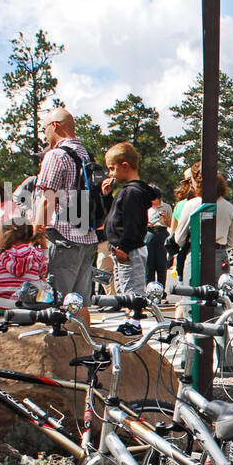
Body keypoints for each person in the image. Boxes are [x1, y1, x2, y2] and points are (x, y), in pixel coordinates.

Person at [32, 107, 102, 324]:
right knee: (79, 303)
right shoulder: (86, 155)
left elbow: (48, 198)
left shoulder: (56, 155)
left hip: (62, 238)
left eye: (44, 129)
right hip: (88, 237)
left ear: (54, 126)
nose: (44, 134)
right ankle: (85, 348)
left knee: (56, 301)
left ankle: (60, 353)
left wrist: (35, 232)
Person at [101, 142, 160, 335]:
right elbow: (115, 217)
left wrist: (124, 247)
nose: (110, 174)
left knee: (131, 288)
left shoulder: (132, 192)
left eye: (112, 168)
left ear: (125, 166)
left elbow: (133, 223)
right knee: (125, 284)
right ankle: (130, 320)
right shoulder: (129, 191)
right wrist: (107, 197)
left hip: (129, 249)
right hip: (126, 248)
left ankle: (133, 323)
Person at [171, 163, 233, 277]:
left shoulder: (191, 205)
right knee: (219, 293)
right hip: (220, 256)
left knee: (192, 292)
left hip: (196, 255)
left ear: (197, 183)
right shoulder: (228, 206)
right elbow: (231, 242)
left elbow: (179, 238)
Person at [0, 220, 49, 314]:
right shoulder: (36, 254)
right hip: (26, 308)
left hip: (0, 307)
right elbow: (43, 272)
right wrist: (44, 248)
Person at [145, 192, 172, 287]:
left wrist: (165, 217)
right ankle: (149, 288)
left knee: (161, 264)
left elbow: (171, 224)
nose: (151, 202)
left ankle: (161, 290)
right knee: (149, 263)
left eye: (153, 199)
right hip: (149, 233)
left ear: (158, 198)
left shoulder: (167, 207)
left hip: (162, 233)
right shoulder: (147, 207)